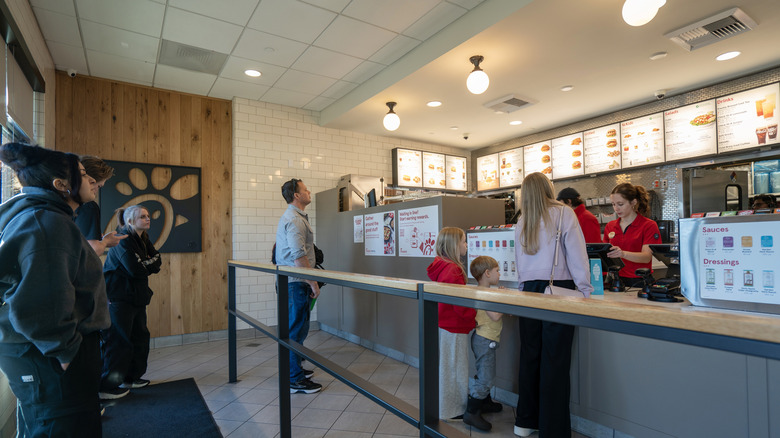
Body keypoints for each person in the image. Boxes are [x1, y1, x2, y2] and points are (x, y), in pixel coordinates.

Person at [0, 142, 108, 437]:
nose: (92, 182)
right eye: (84, 175)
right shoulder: (47, 223)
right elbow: (39, 300)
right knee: (63, 427)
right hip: (49, 357)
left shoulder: (43, 215)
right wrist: (64, 353)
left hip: (44, 352)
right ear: (61, 184)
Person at [513, 172, 593, 438]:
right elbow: (578, 256)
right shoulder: (563, 214)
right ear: (549, 188)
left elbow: (519, 263)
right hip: (558, 291)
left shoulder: (522, 220)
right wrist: (584, 290)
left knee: (530, 357)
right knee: (554, 362)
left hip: (528, 292)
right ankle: (552, 429)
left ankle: (525, 421)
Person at [99, 205, 161, 399]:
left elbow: (157, 261)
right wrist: (148, 263)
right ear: (130, 221)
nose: (148, 219)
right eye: (143, 216)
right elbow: (136, 269)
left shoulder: (143, 238)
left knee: (139, 337)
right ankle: (107, 386)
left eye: (148, 215)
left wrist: (147, 263)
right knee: (118, 341)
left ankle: (131, 377)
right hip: (120, 297)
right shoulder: (122, 240)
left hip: (136, 297)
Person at [275, 178, 321, 394]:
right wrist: (313, 282)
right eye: (305, 189)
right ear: (296, 195)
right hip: (296, 283)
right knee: (295, 330)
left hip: (293, 283)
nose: (309, 191)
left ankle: (295, 370)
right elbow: (298, 255)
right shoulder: (294, 220)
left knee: (298, 330)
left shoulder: (296, 217)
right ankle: (294, 378)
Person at [426, 227, 474, 421]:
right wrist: (475, 316)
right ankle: (453, 408)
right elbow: (459, 303)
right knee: (456, 368)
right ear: (455, 245)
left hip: (444, 324)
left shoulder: (441, 266)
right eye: (463, 241)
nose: (466, 245)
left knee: (448, 366)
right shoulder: (453, 269)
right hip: (455, 325)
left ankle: (448, 405)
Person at [464, 256, 506, 431]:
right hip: (484, 339)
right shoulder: (484, 293)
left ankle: (485, 402)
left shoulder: (485, 291)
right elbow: (495, 315)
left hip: (485, 338)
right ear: (487, 273)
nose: (500, 274)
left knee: (485, 371)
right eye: (497, 271)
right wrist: (504, 298)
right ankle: (472, 412)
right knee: (486, 376)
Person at [603, 183, 662, 288]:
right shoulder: (610, 226)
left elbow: (646, 257)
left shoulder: (648, 225)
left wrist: (623, 254)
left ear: (633, 202)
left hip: (639, 281)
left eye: (620, 204)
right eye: (613, 204)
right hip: (616, 281)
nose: (616, 208)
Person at [75, 156, 126, 254]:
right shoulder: (88, 206)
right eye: (98, 186)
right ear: (90, 181)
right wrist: (106, 242)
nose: (96, 192)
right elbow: (93, 250)